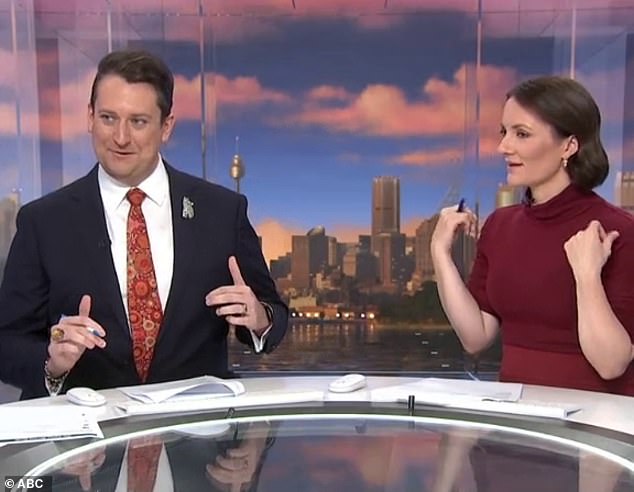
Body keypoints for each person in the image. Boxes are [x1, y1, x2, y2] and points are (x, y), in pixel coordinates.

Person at [0, 49, 288, 400]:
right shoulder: (43, 222)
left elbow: (274, 317)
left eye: (138, 121)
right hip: (86, 443)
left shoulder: (222, 212)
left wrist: (259, 318)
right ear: (90, 117)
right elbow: (7, 343)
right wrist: (52, 360)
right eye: (108, 118)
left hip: (194, 439)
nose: (120, 137)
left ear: (166, 127)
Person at [430, 75, 634, 492]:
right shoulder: (501, 226)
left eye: (522, 134)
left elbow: (612, 364)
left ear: (569, 146)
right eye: (504, 132)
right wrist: (440, 254)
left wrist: (586, 276)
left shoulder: (617, 230)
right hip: (517, 434)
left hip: (595, 447)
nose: (504, 146)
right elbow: (476, 336)